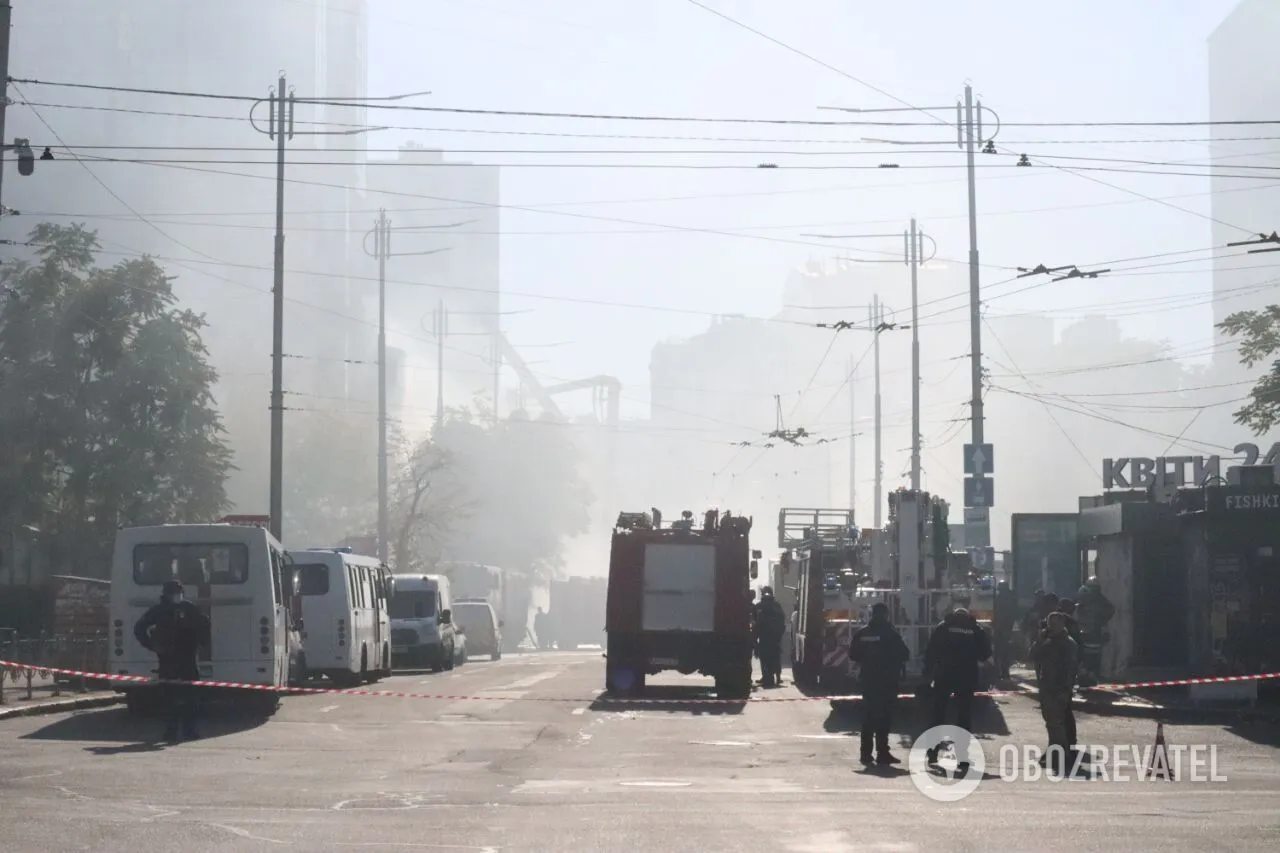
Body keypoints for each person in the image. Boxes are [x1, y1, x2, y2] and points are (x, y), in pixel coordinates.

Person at [133, 579, 211, 744]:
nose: (177, 595)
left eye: (179, 592)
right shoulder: (159, 611)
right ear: (166, 594)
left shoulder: (188, 608)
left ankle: (189, 729)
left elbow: (203, 624)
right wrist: (152, 646)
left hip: (188, 658)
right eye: (174, 593)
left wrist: (201, 641)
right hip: (168, 659)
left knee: (192, 696)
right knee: (170, 697)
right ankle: (171, 730)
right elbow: (139, 628)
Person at [923, 607, 992, 765]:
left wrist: (927, 672)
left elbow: (931, 651)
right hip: (966, 677)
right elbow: (985, 654)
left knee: (938, 714)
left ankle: (932, 752)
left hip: (944, 675)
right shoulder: (975, 629)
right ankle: (961, 755)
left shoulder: (943, 627)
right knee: (963, 716)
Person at [849, 602, 910, 765]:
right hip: (887, 681)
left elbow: (853, 654)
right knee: (884, 718)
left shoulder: (862, 633)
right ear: (886, 615)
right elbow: (904, 654)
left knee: (868, 717)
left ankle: (865, 754)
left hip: (868, 680)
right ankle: (882, 753)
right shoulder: (890, 633)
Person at [1034, 611, 1078, 773]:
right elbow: (1032, 654)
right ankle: (1054, 751)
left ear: (1061, 625)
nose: (1050, 627)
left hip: (1059, 689)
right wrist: (1040, 639)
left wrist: (1065, 690)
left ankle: (1061, 755)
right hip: (1046, 687)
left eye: (1053, 624)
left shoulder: (1068, 643)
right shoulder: (1047, 641)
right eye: (1049, 623)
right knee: (1051, 723)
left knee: (1056, 724)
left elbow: (1070, 670)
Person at [1075, 579, 1116, 687]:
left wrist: (1101, 625)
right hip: (1084, 636)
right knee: (1084, 659)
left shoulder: (1101, 603)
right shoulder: (1081, 602)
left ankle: (1091, 677)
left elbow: (1108, 613)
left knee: (1093, 659)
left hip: (1094, 635)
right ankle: (1085, 677)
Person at [754, 586, 787, 688]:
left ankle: (768, 677)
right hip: (773, 638)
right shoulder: (776, 606)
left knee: (765, 659)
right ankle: (775, 677)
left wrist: (755, 638)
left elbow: (756, 622)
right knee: (774, 658)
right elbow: (782, 621)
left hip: (765, 638)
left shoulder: (760, 606)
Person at [992, 581, 1017, 680]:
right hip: (1005, 628)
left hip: (1003, 628)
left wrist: (997, 626)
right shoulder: (1010, 598)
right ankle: (1003, 671)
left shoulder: (1002, 598)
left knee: (1001, 651)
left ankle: (1002, 671)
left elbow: (1001, 614)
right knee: (1003, 651)